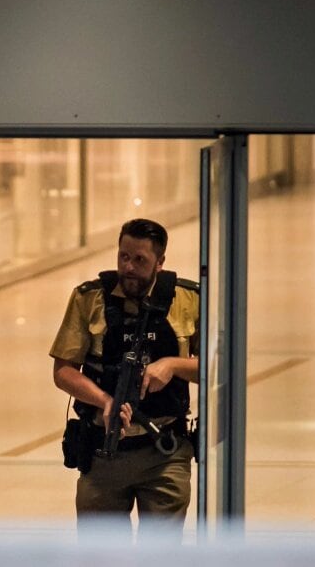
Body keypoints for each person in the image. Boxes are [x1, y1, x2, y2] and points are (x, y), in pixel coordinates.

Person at [50, 218, 199, 540]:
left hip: (165, 453)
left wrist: (172, 365)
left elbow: (218, 368)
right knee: (100, 554)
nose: (128, 267)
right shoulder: (90, 298)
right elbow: (63, 370)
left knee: (162, 555)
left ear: (160, 263)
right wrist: (103, 400)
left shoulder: (188, 299)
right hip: (104, 452)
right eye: (123, 257)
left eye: (140, 260)